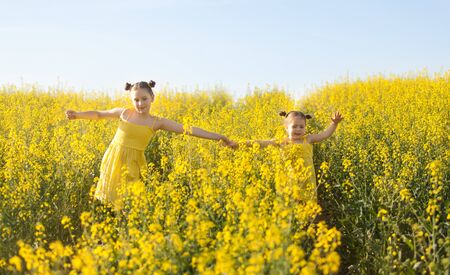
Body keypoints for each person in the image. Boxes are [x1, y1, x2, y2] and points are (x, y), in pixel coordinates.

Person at [65, 80, 234, 210]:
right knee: (108, 202)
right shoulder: (124, 113)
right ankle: (108, 240)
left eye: (144, 99)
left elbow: (187, 129)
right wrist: (78, 115)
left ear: (152, 98)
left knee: (128, 203)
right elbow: (99, 114)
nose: (140, 104)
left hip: (133, 164)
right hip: (114, 160)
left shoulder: (156, 122)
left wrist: (219, 136)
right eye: (136, 100)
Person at [239, 110, 344, 201]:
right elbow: (260, 143)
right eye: (294, 126)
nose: (298, 129)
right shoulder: (281, 142)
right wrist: (235, 144)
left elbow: (324, 135)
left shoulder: (308, 139)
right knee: (291, 206)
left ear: (305, 128)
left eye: (301, 127)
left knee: (308, 204)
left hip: (307, 179)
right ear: (286, 128)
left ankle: (308, 222)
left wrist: (334, 124)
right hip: (289, 181)